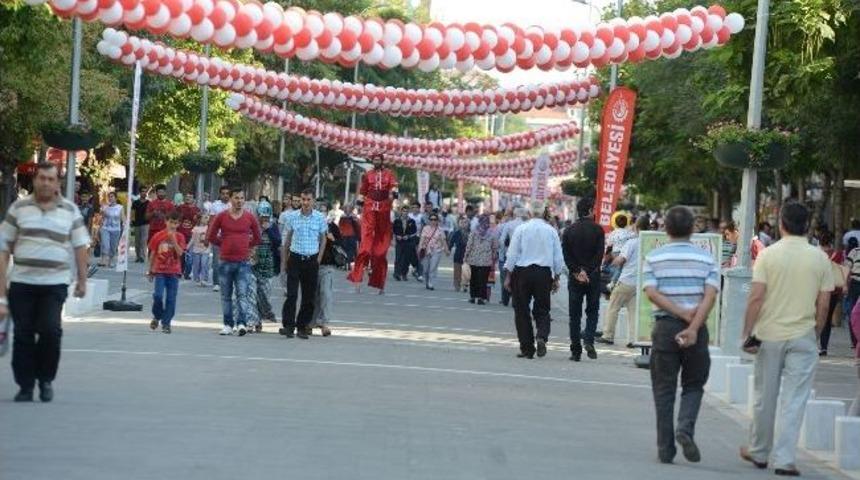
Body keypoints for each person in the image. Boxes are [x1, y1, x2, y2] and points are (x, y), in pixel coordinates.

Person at [739, 202, 834, 476]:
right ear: (808, 226)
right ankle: (785, 459)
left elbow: (756, 297)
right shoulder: (820, 258)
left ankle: (759, 451)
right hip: (803, 336)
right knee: (795, 400)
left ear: (781, 223)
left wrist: (747, 332)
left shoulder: (768, 255)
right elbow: (824, 304)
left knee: (764, 396)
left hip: (769, 335)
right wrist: (815, 331)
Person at [0, 162, 90, 402]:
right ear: (35, 180)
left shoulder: (70, 210)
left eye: (51, 179)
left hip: (55, 283)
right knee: (23, 334)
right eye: (42, 178)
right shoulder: (18, 209)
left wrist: (82, 280)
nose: (46, 183)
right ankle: (26, 385)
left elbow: (80, 245)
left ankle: (45, 379)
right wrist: (0, 296)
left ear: (57, 183)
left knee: (51, 330)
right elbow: (3, 249)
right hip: (22, 282)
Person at [641, 206, 719, 465]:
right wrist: (694, 325)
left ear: (666, 229)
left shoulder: (654, 258)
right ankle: (685, 428)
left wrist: (679, 313)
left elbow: (651, 293)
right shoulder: (707, 260)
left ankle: (665, 448)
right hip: (697, 329)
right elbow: (710, 295)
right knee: (694, 384)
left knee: (663, 390)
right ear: (693, 228)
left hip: (664, 329)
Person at [504, 201, 564, 359]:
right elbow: (558, 257)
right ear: (544, 213)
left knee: (521, 310)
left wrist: (508, 275)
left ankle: (527, 348)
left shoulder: (521, 229)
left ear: (529, 213)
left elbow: (512, 254)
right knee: (543, 309)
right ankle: (542, 336)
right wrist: (556, 277)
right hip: (543, 273)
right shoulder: (551, 231)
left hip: (522, 272)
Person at [206, 188, 261, 336]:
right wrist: (223, 243)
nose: (239, 201)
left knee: (242, 294)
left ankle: (242, 323)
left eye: (242, 198)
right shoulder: (221, 216)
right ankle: (228, 324)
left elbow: (257, 236)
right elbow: (211, 235)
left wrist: (248, 247)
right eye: (236, 198)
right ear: (230, 199)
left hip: (243, 263)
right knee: (226, 295)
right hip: (225, 262)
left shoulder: (249, 217)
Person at [347, 154, 398, 294]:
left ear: (382, 161)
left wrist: (394, 193)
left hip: (384, 209)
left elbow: (393, 186)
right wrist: (358, 205)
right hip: (369, 208)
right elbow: (363, 191)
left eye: (378, 160)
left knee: (380, 253)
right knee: (364, 250)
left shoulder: (389, 174)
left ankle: (380, 284)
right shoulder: (368, 174)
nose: (376, 161)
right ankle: (357, 281)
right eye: (374, 160)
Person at [562, 197, 605, 361]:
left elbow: (566, 255)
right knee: (592, 311)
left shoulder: (569, 230)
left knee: (575, 315)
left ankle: (575, 350)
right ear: (588, 211)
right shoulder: (598, 230)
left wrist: (577, 271)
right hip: (593, 277)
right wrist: (587, 271)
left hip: (575, 278)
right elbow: (599, 255)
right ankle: (588, 339)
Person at [281, 189, 328, 339]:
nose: (305, 203)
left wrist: (318, 258)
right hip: (295, 259)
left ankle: (302, 326)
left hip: (311, 260)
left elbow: (323, 239)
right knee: (292, 294)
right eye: (303, 199)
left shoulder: (320, 218)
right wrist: (284, 261)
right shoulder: (292, 217)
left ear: (313, 201)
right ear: (300, 200)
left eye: (308, 199)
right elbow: (287, 240)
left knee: (308, 297)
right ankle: (289, 325)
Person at [599, 215, 651, 348]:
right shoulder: (649, 243)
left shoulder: (632, 242)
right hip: (639, 283)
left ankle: (608, 335)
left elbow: (621, 260)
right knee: (633, 312)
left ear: (637, 227)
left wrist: (613, 259)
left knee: (613, 307)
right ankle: (633, 339)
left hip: (626, 280)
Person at [147, 210, 186, 334]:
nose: (172, 225)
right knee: (158, 295)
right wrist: (150, 269)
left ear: (178, 224)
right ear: (166, 222)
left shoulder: (180, 237)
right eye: (170, 222)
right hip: (159, 270)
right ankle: (157, 315)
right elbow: (152, 253)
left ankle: (166, 323)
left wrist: (173, 240)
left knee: (171, 298)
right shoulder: (158, 235)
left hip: (174, 271)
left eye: (175, 223)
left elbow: (180, 253)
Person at [311, 209, 342, 337]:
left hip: (327, 265)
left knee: (325, 293)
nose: (322, 215)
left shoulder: (332, 227)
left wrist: (332, 238)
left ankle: (324, 323)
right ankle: (310, 323)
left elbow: (340, 243)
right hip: (311, 264)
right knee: (312, 295)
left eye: (324, 212)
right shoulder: (311, 224)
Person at [252, 205, 280, 328]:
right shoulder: (252, 225)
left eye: (266, 216)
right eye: (261, 216)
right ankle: (256, 320)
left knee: (264, 292)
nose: (264, 219)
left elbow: (278, 241)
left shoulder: (273, 226)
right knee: (254, 292)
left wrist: (268, 229)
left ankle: (266, 313)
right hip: (254, 261)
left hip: (268, 261)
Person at [819, 232, 845, 356]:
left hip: (819, 290)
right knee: (828, 319)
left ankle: (814, 342)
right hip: (834, 290)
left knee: (816, 317)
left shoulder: (816, 254)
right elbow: (842, 269)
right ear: (831, 242)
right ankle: (824, 347)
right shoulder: (838, 254)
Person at [464, 214, 498, 305]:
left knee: (474, 278)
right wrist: (494, 257)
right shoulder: (491, 233)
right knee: (483, 279)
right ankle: (481, 298)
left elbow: (469, 245)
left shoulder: (474, 231)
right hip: (486, 260)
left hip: (474, 258)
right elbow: (495, 247)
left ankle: (473, 297)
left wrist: (466, 256)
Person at [498, 207, 527, 307]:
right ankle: (516, 300)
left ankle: (505, 299)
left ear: (514, 215)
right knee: (519, 278)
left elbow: (501, 240)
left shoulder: (508, 224)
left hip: (510, 253)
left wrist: (503, 251)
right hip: (523, 256)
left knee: (507, 276)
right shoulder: (526, 225)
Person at [207, 186, 231, 292]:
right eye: (223, 193)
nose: (225, 195)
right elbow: (211, 222)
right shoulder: (215, 205)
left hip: (230, 237)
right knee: (216, 261)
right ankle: (216, 282)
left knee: (229, 260)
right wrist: (208, 236)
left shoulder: (233, 205)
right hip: (217, 237)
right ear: (220, 194)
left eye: (227, 193)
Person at [418, 212, 450, 290]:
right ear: (429, 220)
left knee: (433, 267)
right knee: (425, 269)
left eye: (435, 219)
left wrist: (447, 250)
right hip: (426, 250)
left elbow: (443, 241)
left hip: (437, 250)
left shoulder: (440, 230)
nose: (433, 221)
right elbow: (422, 239)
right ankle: (427, 281)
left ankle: (431, 283)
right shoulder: (425, 228)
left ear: (437, 221)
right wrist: (419, 248)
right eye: (431, 219)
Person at [393, 205, 422, 281]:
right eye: (403, 211)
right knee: (398, 258)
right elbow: (393, 231)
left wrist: (408, 236)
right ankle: (397, 274)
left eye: (406, 211)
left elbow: (415, 232)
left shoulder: (411, 221)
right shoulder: (397, 221)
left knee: (406, 259)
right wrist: (396, 236)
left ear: (408, 212)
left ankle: (404, 274)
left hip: (408, 242)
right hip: (399, 242)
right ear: (401, 212)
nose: (405, 213)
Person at [177, 193, 201, 280]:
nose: (188, 199)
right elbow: (176, 218)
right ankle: (180, 272)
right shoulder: (180, 208)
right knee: (181, 256)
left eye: (190, 197)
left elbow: (199, 222)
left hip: (192, 236)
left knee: (190, 258)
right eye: (186, 197)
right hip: (181, 235)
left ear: (193, 199)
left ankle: (187, 273)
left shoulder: (197, 209)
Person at [99, 191, 123, 268]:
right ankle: (103, 260)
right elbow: (102, 218)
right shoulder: (105, 206)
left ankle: (111, 260)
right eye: (109, 196)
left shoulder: (120, 207)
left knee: (113, 247)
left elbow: (123, 218)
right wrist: (102, 213)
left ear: (116, 198)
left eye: (112, 196)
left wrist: (126, 225)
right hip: (105, 228)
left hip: (116, 229)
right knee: (105, 245)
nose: (110, 198)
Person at [188, 214, 211, 286]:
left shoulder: (209, 228)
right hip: (196, 249)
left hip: (206, 250)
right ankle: (197, 279)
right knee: (196, 265)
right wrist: (188, 246)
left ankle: (204, 279)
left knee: (204, 264)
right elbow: (192, 239)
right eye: (205, 218)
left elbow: (212, 238)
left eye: (207, 218)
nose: (206, 219)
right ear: (200, 219)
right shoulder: (195, 228)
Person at [449, 217, 470, 292]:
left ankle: (464, 285)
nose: (463, 224)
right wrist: (449, 249)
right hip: (458, 253)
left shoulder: (471, 233)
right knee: (457, 270)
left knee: (466, 271)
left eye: (465, 222)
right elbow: (451, 242)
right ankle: (457, 285)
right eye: (462, 223)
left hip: (468, 255)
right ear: (459, 224)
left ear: (468, 224)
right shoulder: (456, 233)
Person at [846, 241, 860, 349]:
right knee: (852, 313)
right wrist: (845, 285)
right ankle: (855, 342)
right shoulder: (854, 252)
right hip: (855, 285)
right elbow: (846, 269)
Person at [131, 187, 150, 263]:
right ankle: (138, 256)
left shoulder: (149, 203)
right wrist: (132, 221)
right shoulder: (135, 202)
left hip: (146, 224)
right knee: (137, 241)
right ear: (140, 193)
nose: (144, 193)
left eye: (145, 192)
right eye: (142, 191)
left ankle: (142, 256)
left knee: (144, 241)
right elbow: (133, 212)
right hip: (137, 223)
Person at [338, 203, 360, 267]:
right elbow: (357, 226)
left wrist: (341, 232)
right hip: (349, 235)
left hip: (349, 235)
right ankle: (349, 262)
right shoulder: (351, 216)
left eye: (348, 207)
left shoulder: (345, 216)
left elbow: (340, 226)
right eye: (346, 208)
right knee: (350, 249)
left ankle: (349, 263)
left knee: (349, 249)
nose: (347, 209)